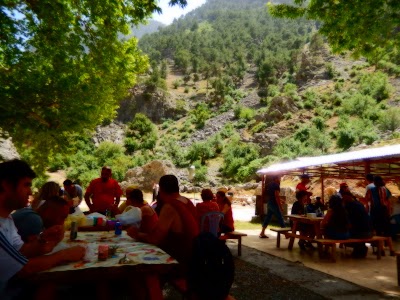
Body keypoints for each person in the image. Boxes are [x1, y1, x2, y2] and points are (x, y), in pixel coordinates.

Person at [0, 159, 85, 298]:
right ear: (7, 185)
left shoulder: (7, 219)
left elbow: (20, 251)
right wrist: (65, 255)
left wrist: (42, 240)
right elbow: (24, 269)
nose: (30, 192)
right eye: (26, 185)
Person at [126, 174, 199, 268]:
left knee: (136, 264)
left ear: (161, 190)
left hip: (179, 258)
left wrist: (136, 234)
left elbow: (155, 239)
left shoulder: (170, 206)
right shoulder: (187, 201)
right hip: (194, 255)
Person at [342, 190, 372, 258]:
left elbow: (347, 222)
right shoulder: (359, 204)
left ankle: (359, 249)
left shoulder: (348, 205)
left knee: (345, 233)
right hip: (369, 232)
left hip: (361, 233)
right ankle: (360, 249)